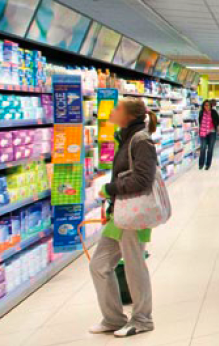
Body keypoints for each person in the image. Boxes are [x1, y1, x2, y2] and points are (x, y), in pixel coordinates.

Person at [88, 98, 158, 338]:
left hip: (135, 214)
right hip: (120, 213)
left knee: (134, 266)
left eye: (117, 108)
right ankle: (113, 318)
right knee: (99, 265)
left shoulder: (141, 140)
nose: (112, 110)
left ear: (128, 115)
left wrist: (110, 189)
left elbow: (143, 179)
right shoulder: (126, 137)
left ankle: (142, 319)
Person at [197, 100, 219, 170]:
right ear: (203, 106)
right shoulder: (201, 112)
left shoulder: (214, 112)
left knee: (210, 149)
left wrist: (213, 125)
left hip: (212, 132)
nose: (207, 106)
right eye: (205, 105)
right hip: (203, 132)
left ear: (210, 106)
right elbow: (200, 121)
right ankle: (201, 164)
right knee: (203, 148)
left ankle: (208, 164)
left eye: (208, 105)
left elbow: (218, 121)